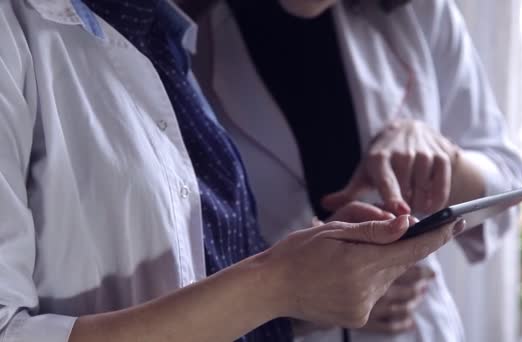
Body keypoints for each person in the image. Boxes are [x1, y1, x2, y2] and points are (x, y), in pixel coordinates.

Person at [0, 0, 465, 341]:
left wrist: (313, 283)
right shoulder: (15, 34)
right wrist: (279, 283)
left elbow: (201, 285)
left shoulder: (157, 32)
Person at [192, 0, 522, 340]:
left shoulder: (422, 11)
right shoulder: (186, 37)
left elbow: (508, 184)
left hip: (415, 328)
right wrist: (307, 299)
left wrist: (443, 157)